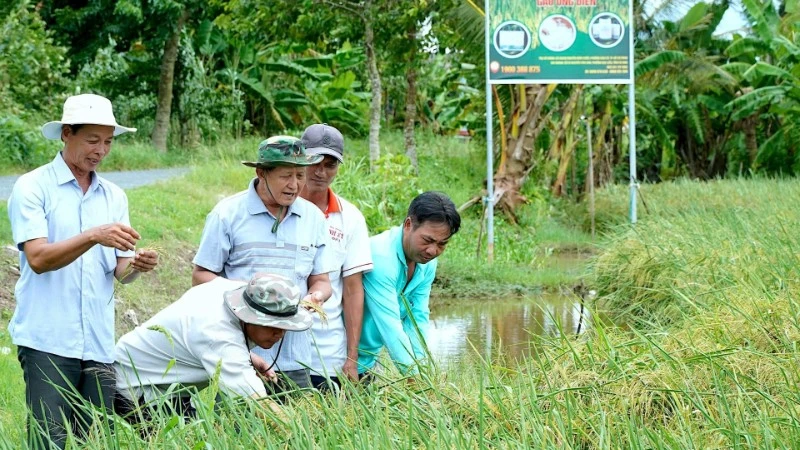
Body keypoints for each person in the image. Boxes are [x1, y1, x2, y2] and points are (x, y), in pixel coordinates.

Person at [7, 93, 159, 449]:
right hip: (48, 341)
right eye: (92, 140)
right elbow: (38, 259)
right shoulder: (33, 186)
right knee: (49, 440)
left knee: (93, 441)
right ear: (67, 134)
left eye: (108, 142)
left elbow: (121, 271)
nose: (101, 151)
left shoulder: (114, 196)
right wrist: (92, 235)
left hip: (98, 343)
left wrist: (138, 265)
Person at [192, 135, 336, 391]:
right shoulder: (227, 214)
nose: (294, 185)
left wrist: (316, 296)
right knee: (241, 416)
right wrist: (250, 295)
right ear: (261, 173)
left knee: (295, 416)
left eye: (300, 175)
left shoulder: (313, 218)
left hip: (296, 358)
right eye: (286, 176)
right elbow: (200, 276)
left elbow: (322, 281)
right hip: (239, 357)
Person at [114, 273, 309, 421]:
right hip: (136, 385)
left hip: (169, 385)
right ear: (249, 316)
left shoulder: (234, 290)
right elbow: (258, 403)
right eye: (272, 326)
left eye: (285, 326)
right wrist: (302, 431)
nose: (280, 334)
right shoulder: (217, 333)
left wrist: (249, 356)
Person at [298, 124, 373, 390]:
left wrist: (351, 358)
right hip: (273, 350)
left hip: (326, 354)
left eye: (330, 165)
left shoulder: (349, 218)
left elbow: (352, 290)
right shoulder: (280, 207)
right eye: (314, 161)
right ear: (299, 158)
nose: (321, 172)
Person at [357, 191, 461, 377]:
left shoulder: (426, 263)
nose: (432, 251)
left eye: (442, 244)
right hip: (336, 358)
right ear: (408, 225)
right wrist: (413, 376)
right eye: (427, 240)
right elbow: (390, 326)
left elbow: (417, 318)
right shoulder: (380, 257)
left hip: (368, 359)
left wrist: (424, 371)